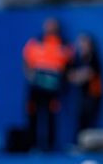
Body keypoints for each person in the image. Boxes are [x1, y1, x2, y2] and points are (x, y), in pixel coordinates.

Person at [22, 17, 72, 151]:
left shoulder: (64, 45)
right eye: (47, 25)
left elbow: (69, 66)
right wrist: (30, 76)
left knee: (51, 116)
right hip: (36, 87)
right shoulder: (34, 43)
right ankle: (32, 145)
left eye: (52, 25)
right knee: (33, 115)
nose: (49, 28)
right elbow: (26, 62)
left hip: (53, 88)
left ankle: (49, 146)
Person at [67, 33, 103, 143]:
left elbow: (89, 74)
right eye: (80, 42)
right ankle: (79, 144)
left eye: (85, 42)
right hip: (81, 95)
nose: (82, 45)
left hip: (93, 94)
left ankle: (89, 145)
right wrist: (80, 75)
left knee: (90, 120)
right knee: (80, 120)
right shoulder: (76, 59)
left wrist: (80, 76)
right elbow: (70, 76)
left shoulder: (94, 57)